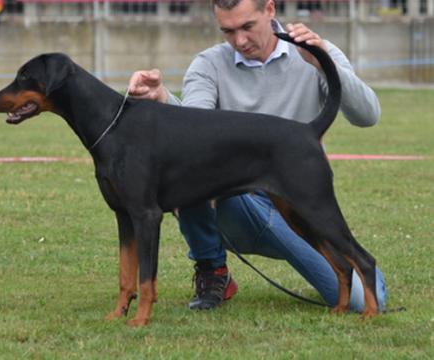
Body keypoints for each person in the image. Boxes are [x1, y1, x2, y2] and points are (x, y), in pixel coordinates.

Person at [128, 0, 388, 312]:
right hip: (237, 206)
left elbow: (367, 115)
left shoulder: (313, 50)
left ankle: (358, 280)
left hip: (294, 197)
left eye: (247, 26)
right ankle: (214, 270)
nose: (239, 41)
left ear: (270, 9)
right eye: (228, 31)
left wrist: (322, 61)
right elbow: (193, 131)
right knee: (190, 178)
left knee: (363, 302)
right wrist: (163, 99)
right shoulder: (208, 64)